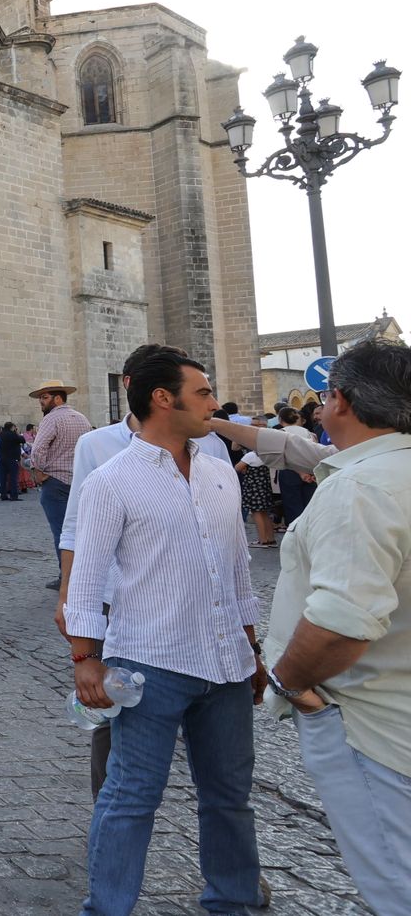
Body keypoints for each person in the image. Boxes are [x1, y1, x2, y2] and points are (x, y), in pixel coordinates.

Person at [65, 348, 266, 914]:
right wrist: (86, 658)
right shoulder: (111, 481)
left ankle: (232, 902)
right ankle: (107, 909)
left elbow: (236, 566)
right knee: (131, 797)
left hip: (227, 664)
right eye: (202, 393)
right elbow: (86, 574)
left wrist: (252, 646)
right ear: (163, 398)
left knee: (230, 799)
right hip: (150, 663)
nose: (212, 402)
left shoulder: (219, 467)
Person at [258, 340, 411, 915]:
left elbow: (339, 626)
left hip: (374, 730)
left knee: (394, 884)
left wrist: (290, 684)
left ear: (339, 401)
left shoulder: (361, 487)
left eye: (323, 399)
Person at [55, 345, 240, 803]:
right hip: (125, 610)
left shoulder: (209, 446)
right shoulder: (96, 445)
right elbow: (77, 525)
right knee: (116, 729)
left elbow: (229, 545)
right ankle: (109, 805)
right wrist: (67, 595)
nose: (210, 403)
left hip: (202, 620)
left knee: (221, 777)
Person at [28, 380, 92, 589]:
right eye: (40, 399)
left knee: (61, 532)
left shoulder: (51, 419)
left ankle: (66, 577)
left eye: (45, 398)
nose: (41, 403)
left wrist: (38, 470)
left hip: (55, 482)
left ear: (58, 398)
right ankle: (83, 574)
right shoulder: (82, 418)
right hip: (79, 481)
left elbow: (38, 449)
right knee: (79, 529)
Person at [0, 421, 22, 501]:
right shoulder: (12, 434)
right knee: (13, 477)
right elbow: (22, 439)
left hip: (2, 457)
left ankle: (3, 495)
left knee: (3, 477)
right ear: (12, 427)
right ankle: (13, 495)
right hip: (11, 458)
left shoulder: (1, 434)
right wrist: (16, 432)